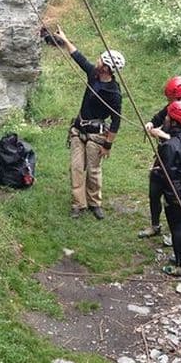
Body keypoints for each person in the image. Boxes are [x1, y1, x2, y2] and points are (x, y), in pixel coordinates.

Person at [51, 26, 123, 220]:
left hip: (96, 135)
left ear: (107, 68)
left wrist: (107, 145)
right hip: (78, 130)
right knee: (76, 168)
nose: (96, 60)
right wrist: (65, 40)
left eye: (100, 59)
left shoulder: (114, 93)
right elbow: (79, 58)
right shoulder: (93, 74)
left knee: (93, 170)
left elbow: (116, 121)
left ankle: (95, 203)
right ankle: (78, 204)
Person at [139, 76, 181, 239]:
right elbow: (158, 117)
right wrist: (151, 124)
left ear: (180, 97)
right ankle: (155, 225)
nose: (169, 102)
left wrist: (164, 136)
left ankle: (177, 232)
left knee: (175, 202)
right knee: (154, 191)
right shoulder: (173, 107)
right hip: (164, 157)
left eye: (171, 99)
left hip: (178, 165)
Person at [145, 100, 181, 276]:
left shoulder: (170, 146)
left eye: (168, 116)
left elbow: (167, 173)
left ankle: (180, 266)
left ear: (174, 121)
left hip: (175, 190)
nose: (165, 118)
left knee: (176, 227)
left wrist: (156, 170)